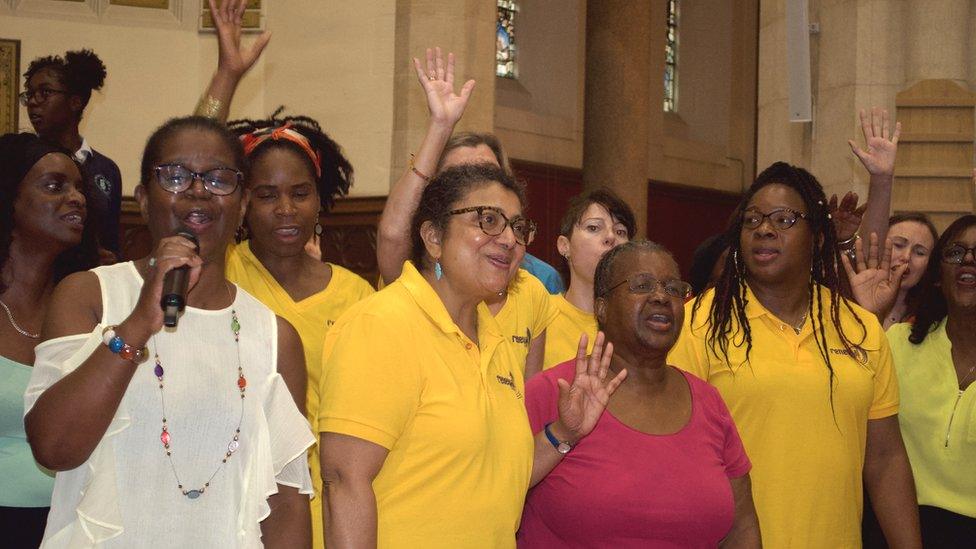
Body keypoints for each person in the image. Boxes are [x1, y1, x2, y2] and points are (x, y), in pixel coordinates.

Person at [23, 116, 314, 547]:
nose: (198, 190)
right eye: (175, 176)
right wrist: (140, 321)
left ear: (243, 204)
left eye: (219, 179)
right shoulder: (90, 295)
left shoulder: (275, 338)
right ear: (142, 199)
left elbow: (286, 506)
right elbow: (54, 448)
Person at [319, 164, 625, 548]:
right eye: (488, 220)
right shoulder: (382, 323)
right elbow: (344, 481)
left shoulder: (494, 338)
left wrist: (564, 433)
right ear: (433, 237)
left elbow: (497, 477)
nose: (509, 239)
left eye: (518, 227)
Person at [669, 161, 922, 548]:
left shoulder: (861, 328)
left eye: (784, 219)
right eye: (752, 221)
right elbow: (675, 455)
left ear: (818, 238)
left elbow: (885, 461)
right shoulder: (698, 323)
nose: (764, 229)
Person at [520, 240, 760, 548]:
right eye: (641, 285)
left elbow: (742, 526)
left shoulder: (709, 401)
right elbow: (494, 495)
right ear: (602, 307)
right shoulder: (553, 393)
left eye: (674, 289)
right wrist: (562, 434)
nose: (661, 296)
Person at [225, 109, 374, 549]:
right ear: (242, 200)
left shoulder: (357, 295)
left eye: (300, 193)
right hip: (238, 499)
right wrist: (226, 76)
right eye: (267, 194)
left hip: (335, 504)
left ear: (320, 198)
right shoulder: (220, 275)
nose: (286, 209)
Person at [375, 47, 556, 378]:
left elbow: (522, 409)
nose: (480, 187)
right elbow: (391, 235)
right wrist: (440, 127)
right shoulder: (420, 272)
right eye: (461, 177)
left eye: (488, 174)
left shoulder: (531, 291)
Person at [0, 133, 98, 547]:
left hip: (72, 523)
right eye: (55, 186)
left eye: (79, 187)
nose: (76, 198)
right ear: (10, 199)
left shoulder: (91, 307)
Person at [23, 49, 123, 256]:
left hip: (86, 281)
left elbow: (111, 239)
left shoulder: (106, 169)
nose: (33, 102)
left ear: (75, 102)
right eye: (30, 94)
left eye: (45, 92)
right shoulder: (21, 160)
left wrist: (109, 260)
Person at [543, 188, 636, 369]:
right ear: (564, 246)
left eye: (620, 231)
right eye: (593, 228)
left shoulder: (637, 323)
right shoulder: (539, 314)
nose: (610, 237)